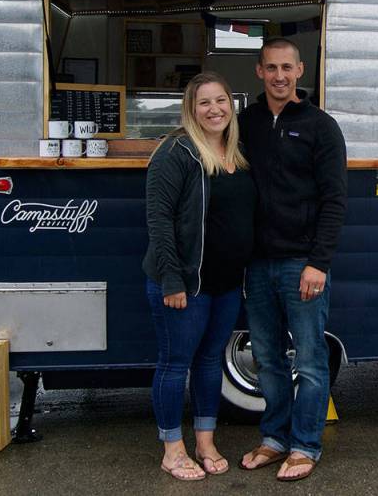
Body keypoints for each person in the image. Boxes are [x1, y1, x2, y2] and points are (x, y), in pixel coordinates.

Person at [237, 38, 347, 482]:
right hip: (258, 263)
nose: (279, 76)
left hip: (303, 264)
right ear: (259, 71)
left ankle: (305, 445)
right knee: (267, 359)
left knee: (311, 360)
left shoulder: (321, 126)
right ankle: (275, 439)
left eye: (287, 68)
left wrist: (319, 263)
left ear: (300, 71)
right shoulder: (246, 123)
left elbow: (335, 200)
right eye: (271, 68)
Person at [141, 72, 255, 481]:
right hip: (186, 284)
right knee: (175, 363)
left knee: (209, 361)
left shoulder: (237, 151)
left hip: (226, 282)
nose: (214, 109)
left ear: (231, 104)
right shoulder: (176, 151)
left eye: (221, 100)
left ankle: (205, 442)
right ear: (191, 109)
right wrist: (172, 279)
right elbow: (159, 220)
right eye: (204, 102)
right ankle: (173, 450)